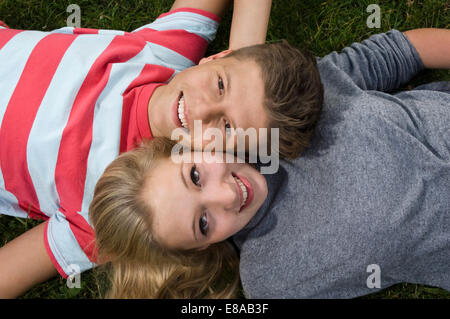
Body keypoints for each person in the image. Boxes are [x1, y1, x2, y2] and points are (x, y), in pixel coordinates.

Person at [88, 27, 449, 298]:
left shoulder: (279, 105)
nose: (226, 196)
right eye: (202, 223)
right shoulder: (270, 281)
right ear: (200, 247)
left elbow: (396, 52)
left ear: (185, 147)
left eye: (196, 176)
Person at [1, 0, 321, 298]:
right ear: (216, 57)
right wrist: (243, 56)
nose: (202, 109)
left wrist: (234, 71)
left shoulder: (126, 209)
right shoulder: (165, 52)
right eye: (220, 85)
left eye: (226, 129)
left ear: (229, 154)